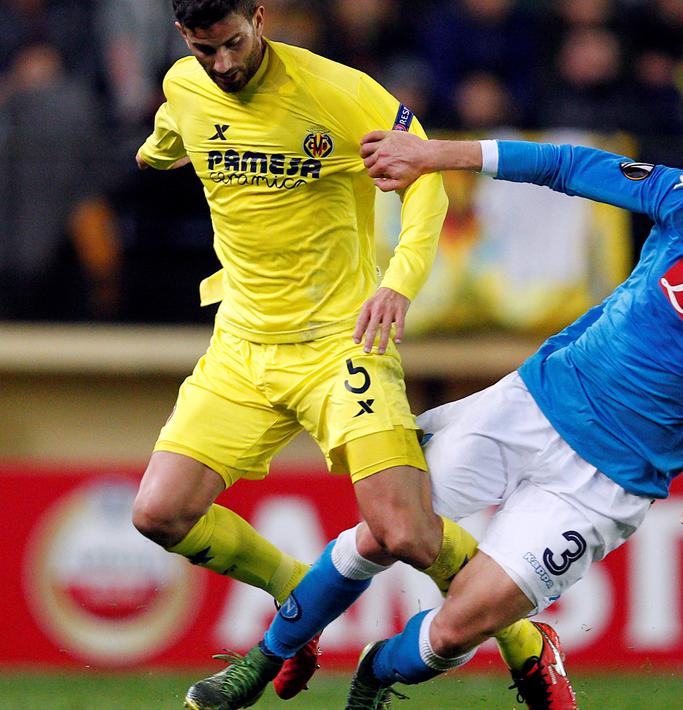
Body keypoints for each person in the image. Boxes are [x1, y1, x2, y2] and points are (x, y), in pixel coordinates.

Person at [188, 127, 683, 709]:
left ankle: (373, 673)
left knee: (453, 630)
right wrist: (433, 155)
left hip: (604, 484)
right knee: (384, 532)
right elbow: (564, 165)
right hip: (529, 406)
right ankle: (263, 661)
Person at [128, 2, 546, 708]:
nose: (223, 64)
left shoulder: (341, 91)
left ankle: (530, 647)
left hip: (342, 344)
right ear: (183, 38)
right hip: (242, 345)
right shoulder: (184, 88)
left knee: (406, 533)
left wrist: (399, 284)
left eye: (233, 43)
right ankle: (299, 594)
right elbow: (168, 139)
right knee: (158, 513)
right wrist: (154, 151)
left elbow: (426, 181)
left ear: (258, 16)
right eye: (206, 51)